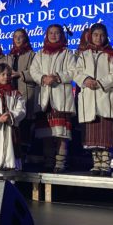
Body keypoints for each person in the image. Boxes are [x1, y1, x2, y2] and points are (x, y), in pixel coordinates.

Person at [74, 23, 113, 176]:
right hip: (89, 98)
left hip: (105, 97)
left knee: (106, 134)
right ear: (91, 36)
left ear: (106, 37)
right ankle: (96, 164)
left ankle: (105, 165)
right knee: (93, 136)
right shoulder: (84, 55)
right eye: (95, 35)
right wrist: (86, 80)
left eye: (102, 35)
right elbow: (77, 72)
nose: (98, 38)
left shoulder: (110, 54)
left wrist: (101, 82)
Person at [30, 24, 76, 172]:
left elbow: (73, 71)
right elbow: (33, 70)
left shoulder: (67, 53)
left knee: (61, 133)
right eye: (51, 33)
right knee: (47, 133)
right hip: (45, 99)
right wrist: (43, 78)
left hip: (60, 98)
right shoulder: (40, 53)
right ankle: (49, 161)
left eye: (57, 33)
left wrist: (57, 77)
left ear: (61, 35)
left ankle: (60, 162)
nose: (54, 35)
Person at [5, 28, 38, 161]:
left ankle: (24, 157)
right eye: (15, 37)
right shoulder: (9, 56)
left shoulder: (32, 55)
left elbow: (36, 73)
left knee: (25, 125)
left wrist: (20, 74)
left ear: (25, 38)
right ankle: (13, 156)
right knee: (12, 127)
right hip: (10, 95)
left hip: (25, 93)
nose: (18, 39)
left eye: (21, 36)